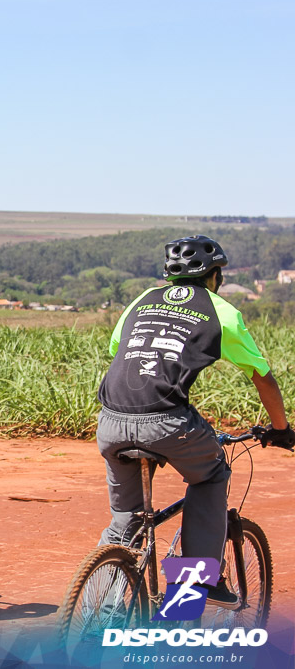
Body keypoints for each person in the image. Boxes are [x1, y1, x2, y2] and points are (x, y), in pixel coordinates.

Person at [95, 235, 294, 607]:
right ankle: (195, 583)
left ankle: (98, 604)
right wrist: (281, 430)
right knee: (212, 474)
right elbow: (262, 376)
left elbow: (118, 351)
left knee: (128, 517)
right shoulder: (222, 312)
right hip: (167, 421)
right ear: (215, 274)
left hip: (110, 422)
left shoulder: (140, 301)